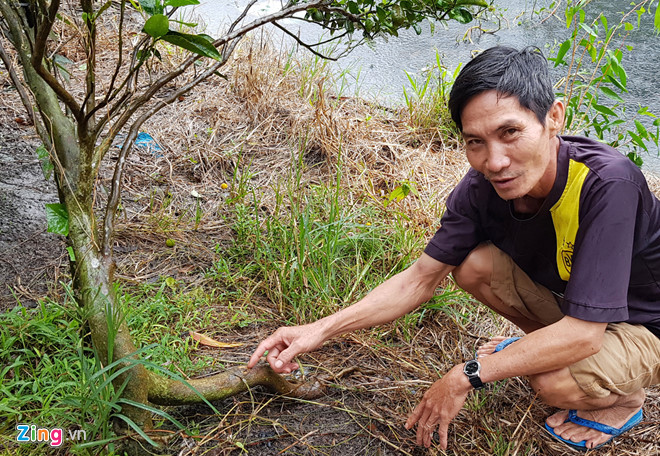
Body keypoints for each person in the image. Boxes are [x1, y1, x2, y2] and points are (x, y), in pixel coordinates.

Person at [247, 46, 660, 451]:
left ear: (554, 117)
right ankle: (549, 350)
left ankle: (624, 402)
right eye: (475, 141)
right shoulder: (482, 188)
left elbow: (585, 335)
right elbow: (419, 279)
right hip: (583, 310)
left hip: (647, 324)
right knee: (474, 266)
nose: (494, 162)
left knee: (552, 383)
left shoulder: (607, 185)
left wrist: (468, 375)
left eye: (510, 132)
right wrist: (318, 330)